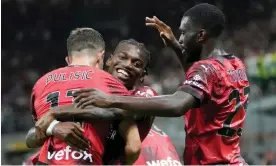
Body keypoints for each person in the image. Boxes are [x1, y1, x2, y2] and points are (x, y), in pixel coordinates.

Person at [67, 3, 250, 165]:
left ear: (201, 35)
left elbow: (177, 105)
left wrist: (110, 100)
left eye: (184, 33)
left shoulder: (205, 70)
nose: (180, 38)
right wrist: (175, 47)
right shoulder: (234, 64)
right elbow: (202, 81)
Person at [30, 39, 180, 165]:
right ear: (109, 60)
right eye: (123, 57)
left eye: (137, 64)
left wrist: (57, 112)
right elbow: (33, 133)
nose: (128, 65)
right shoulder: (89, 89)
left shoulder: (142, 94)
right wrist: (53, 127)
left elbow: (119, 112)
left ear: (143, 75)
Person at [27, 28, 141, 165]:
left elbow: (36, 135)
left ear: (68, 60)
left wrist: (53, 128)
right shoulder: (111, 83)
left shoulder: (40, 84)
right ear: (101, 57)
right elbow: (134, 148)